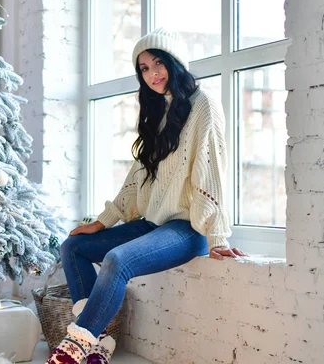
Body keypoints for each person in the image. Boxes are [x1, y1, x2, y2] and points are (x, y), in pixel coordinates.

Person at [45, 28, 246, 364]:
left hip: (186, 229)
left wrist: (217, 237)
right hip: (153, 224)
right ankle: (99, 344)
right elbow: (137, 177)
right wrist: (102, 221)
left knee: (117, 260)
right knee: (73, 247)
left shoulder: (203, 105)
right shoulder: (157, 111)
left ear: (174, 63)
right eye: (144, 68)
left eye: (158, 64)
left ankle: (76, 348)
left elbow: (213, 171)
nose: (152, 74)